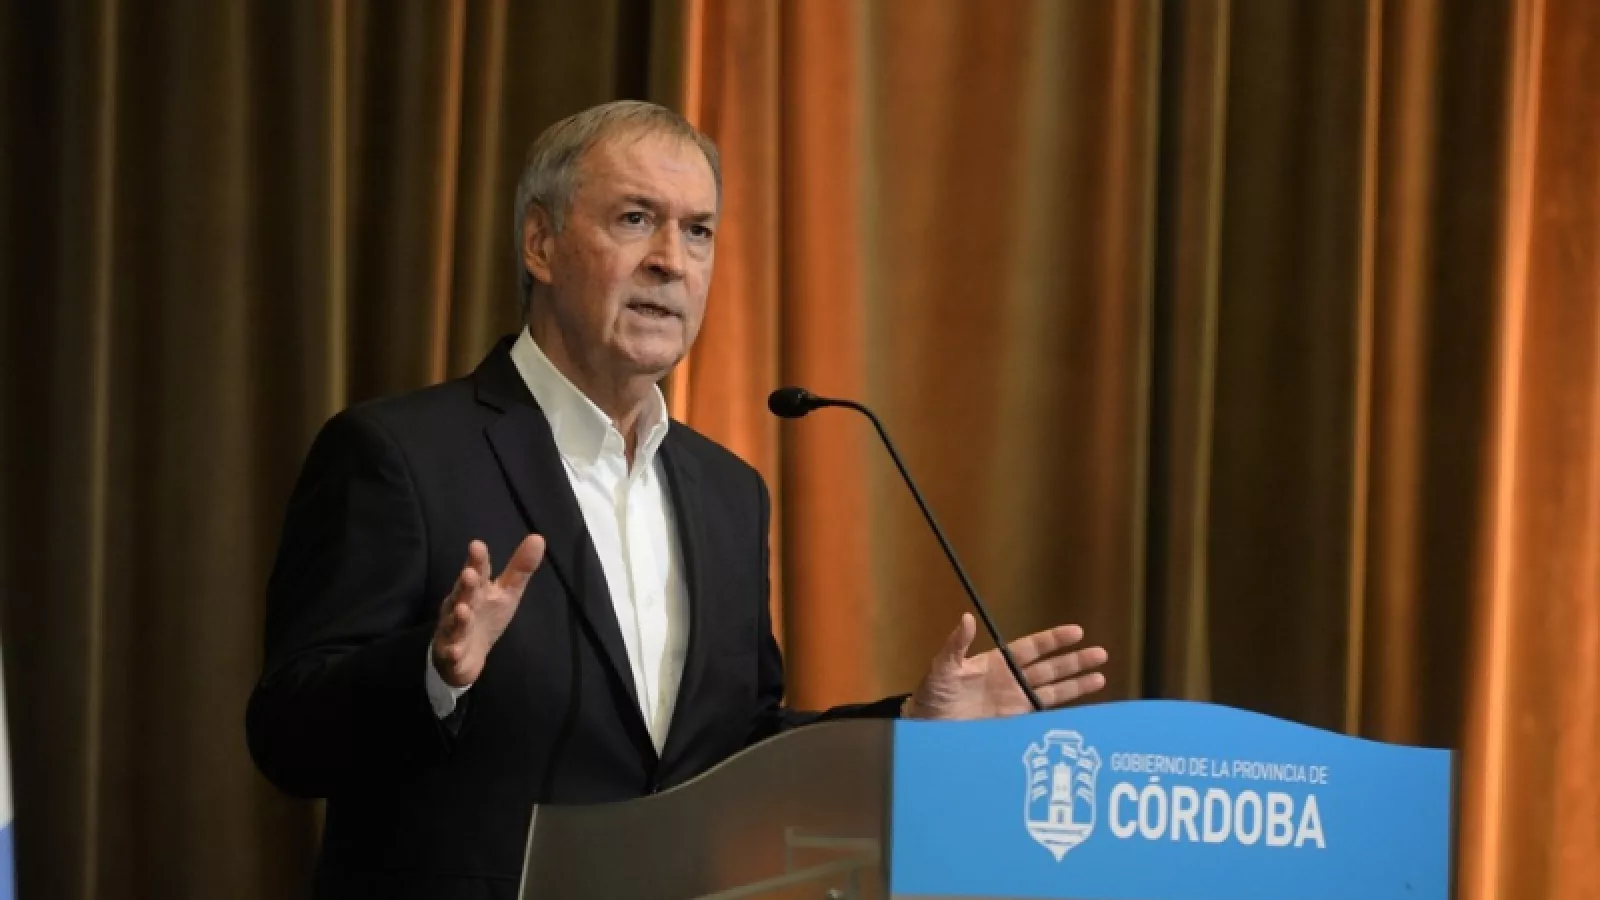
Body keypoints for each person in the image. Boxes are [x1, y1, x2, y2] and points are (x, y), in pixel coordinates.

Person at [246, 100, 1108, 900]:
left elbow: (738, 747)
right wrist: (432, 675)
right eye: (635, 219)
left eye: (697, 231)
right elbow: (286, 734)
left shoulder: (728, 493)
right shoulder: (400, 455)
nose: (671, 258)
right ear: (540, 245)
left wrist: (910, 727)